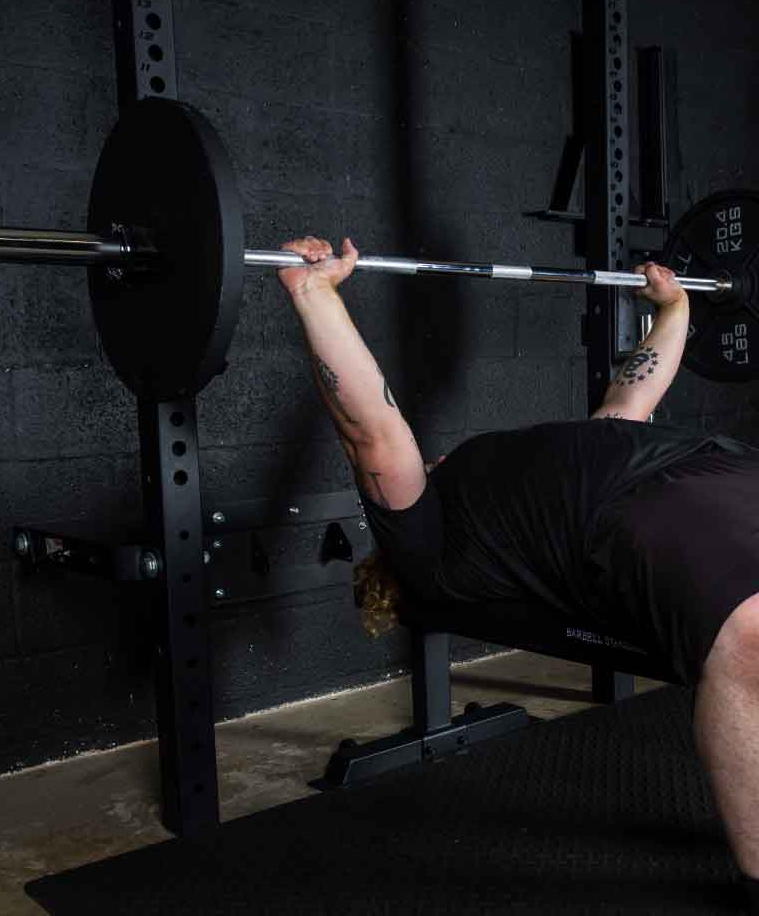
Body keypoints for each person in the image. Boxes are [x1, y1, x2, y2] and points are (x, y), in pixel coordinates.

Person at [278, 235, 759, 907]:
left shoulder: (534, 477)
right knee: (751, 639)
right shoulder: (424, 551)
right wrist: (313, 295)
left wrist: (673, 310)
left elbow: (625, 410)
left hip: (713, 467)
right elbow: (373, 432)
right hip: (653, 509)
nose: (434, 461)